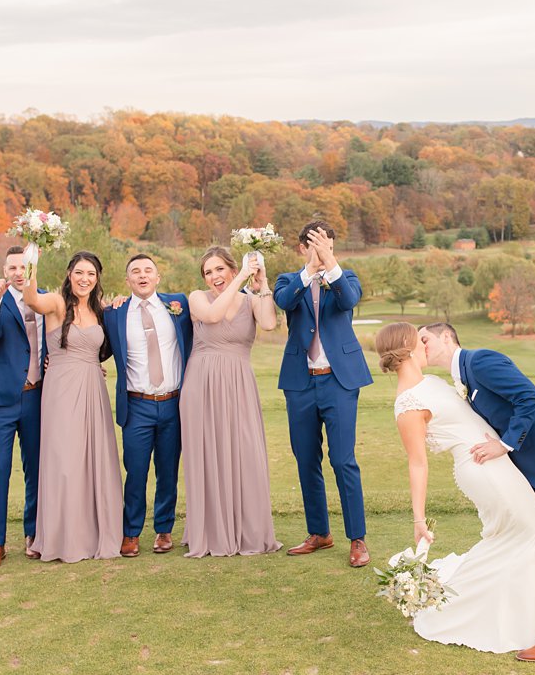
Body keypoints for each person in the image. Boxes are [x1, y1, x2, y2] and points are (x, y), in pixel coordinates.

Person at [379, 323, 535, 654]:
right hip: (480, 467)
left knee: (518, 535)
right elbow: (417, 463)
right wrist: (419, 519)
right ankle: (468, 611)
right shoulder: (407, 404)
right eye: (421, 339)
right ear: (408, 345)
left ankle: (522, 613)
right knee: (531, 531)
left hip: (495, 457)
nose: (426, 343)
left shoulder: (430, 381)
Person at [418, 323, 535, 663]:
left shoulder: (480, 361)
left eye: (426, 339)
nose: (420, 346)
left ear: (447, 337)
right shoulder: (462, 379)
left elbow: (528, 397)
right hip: (532, 465)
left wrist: (505, 444)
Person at [273, 221, 373, 568]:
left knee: (343, 460)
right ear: (302, 247)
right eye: (315, 244)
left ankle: (357, 538)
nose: (321, 248)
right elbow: (284, 301)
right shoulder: (289, 280)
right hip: (300, 382)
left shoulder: (346, 277)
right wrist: (310, 271)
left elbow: (350, 300)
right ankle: (319, 533)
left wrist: (329, 266)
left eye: (327, 242)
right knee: (306, 459)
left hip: (339, 382)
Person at [19, 251, 124, 563]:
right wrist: (31, 261)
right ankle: (63, 536)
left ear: (97, 278)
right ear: (69, 274)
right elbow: (31, 301)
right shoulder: (56, 303)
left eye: (91, 274)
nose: (85, 279)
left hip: (93, 387)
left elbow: (107, 344)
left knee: (94, 458)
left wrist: (120, 305)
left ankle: (95, 533)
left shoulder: (100, 311)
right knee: (65, 459)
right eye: (79, 272)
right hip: (62, 389)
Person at [180, 246, 282, 557]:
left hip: (239, 383)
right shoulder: (196, 297)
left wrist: (261, 284)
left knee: (244, 452)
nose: (214, 277)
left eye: (219, 269)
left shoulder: (251, 301)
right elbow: (212, 316)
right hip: (202, 382)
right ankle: (211, 530)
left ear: (230, 267)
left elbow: (268, 324)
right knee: (207, 454)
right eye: (208, 272)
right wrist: (240, 277)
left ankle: (247, 529)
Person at [100, 253, 192, 556]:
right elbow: (95, 348)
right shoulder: (114, 313)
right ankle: (131, 531)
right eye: (135, 271)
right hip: (136, 404)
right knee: (136, 470)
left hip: (173, 403)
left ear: (157, 277)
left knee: (168, 469)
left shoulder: (178, 305)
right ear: (127, 280)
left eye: (148, 270)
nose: (142, 275)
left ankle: (164, 529)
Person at [0, 247, 45, 569]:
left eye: (24, 266)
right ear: (5, 271)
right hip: (0, 401)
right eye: (13, 267)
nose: (19, 272)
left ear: (32, 268)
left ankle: (33, 535)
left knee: (36, 470)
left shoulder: (45, 300)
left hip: (37, 398)